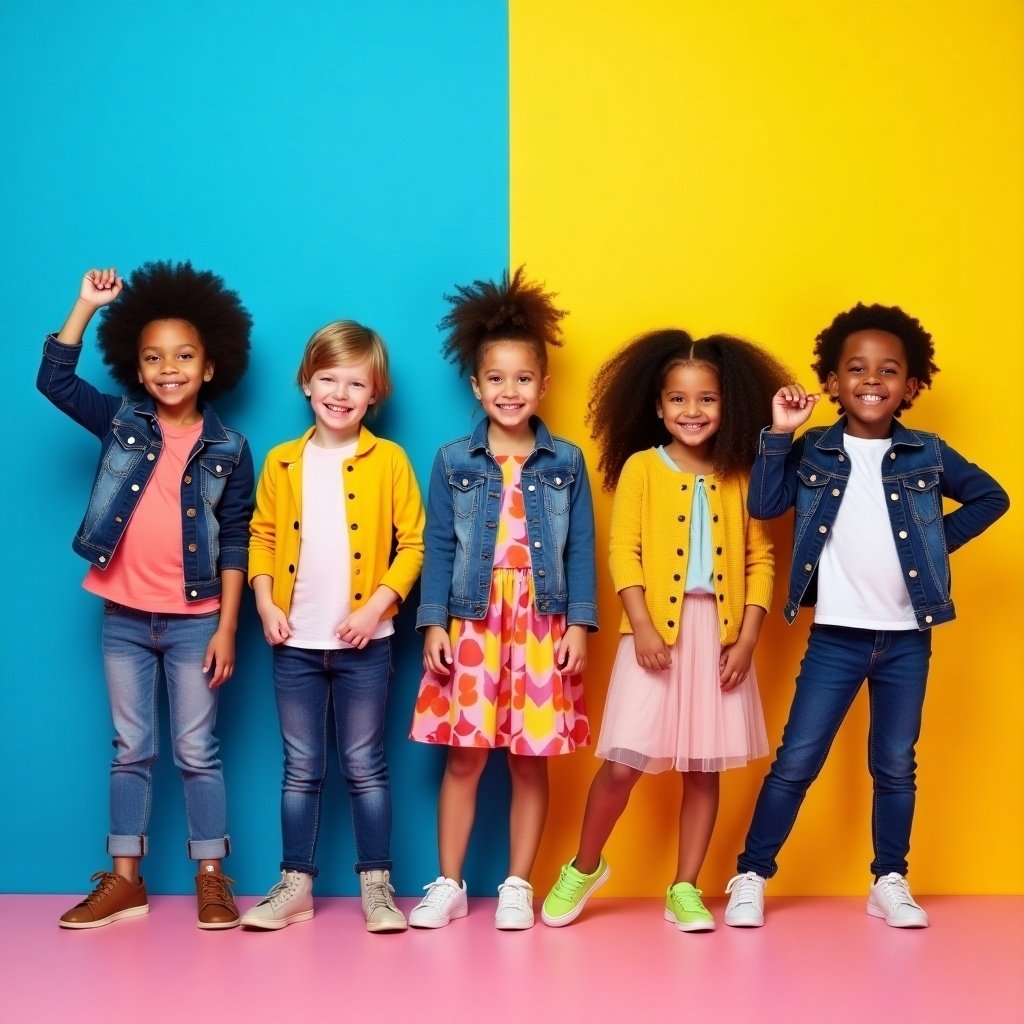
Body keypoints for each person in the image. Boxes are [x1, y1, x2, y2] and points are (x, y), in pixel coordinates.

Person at [723, 303, 1009, 929]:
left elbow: (994, 497)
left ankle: (890, 879)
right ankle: (750, 874)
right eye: (856, 368)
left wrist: (935, 544)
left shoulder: (926, 452)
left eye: (888, 369)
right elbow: (766, 505)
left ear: (911, 386)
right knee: (797, 758)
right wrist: (778, 433)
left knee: (895, 764)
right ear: (831, 382)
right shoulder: (813, 451)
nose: (872, 379)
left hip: (909, 640)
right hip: (836, 639)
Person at [541, 329, 790, 931]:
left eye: (706, 399)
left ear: (726, 405)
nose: (692, 411)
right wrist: (644, 627)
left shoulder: (741, 474)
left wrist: (749, 638)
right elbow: (622, 553)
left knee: (703, 767)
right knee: (624, 762)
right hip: (653, 636)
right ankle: (584, 865)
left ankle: (686, 886)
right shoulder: (641, 469)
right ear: (656, 406)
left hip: (722, 636)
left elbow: (762, 560)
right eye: (677, 399)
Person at [39, 264, 254, 929]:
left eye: (184, 356)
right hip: (125, 618)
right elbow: (54, 381)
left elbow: (238, 540)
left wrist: (226, 629)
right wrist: (85, 304)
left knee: (198, 751)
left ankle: (212, 877)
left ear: (210, 367)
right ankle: (125, 879)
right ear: (137, 366)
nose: (169, 369)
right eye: (154, 358)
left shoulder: (229, 447)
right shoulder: (119, 422)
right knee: (130, 747)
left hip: (197, 622)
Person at [409, 268, 597, 930]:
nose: (510, 391)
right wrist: (433, 622)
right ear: (476, 385)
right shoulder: (453, 460)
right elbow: (437, 546)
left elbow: (580, 552)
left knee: (528, 759)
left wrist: (580, 624)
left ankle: (518, 882)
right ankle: (449, 882)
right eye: (497, 379)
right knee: (464, 756)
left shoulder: (566, 462)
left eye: (523, 379)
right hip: (473, 622)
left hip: (542, 624)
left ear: (543, 385)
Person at [243, 320, 424, 933]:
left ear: (376, 393)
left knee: (366, 763)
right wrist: (265, 603)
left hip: (364, 646)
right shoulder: (282, 462)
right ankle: (295, 885)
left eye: (357, 382)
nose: (341, 393)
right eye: (329, 378)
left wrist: (376, 608)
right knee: (300, 767)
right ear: (306, 383)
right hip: (293, 643)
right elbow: (262, 537)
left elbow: (414, 546)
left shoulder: (389, 460)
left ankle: (378, 888)